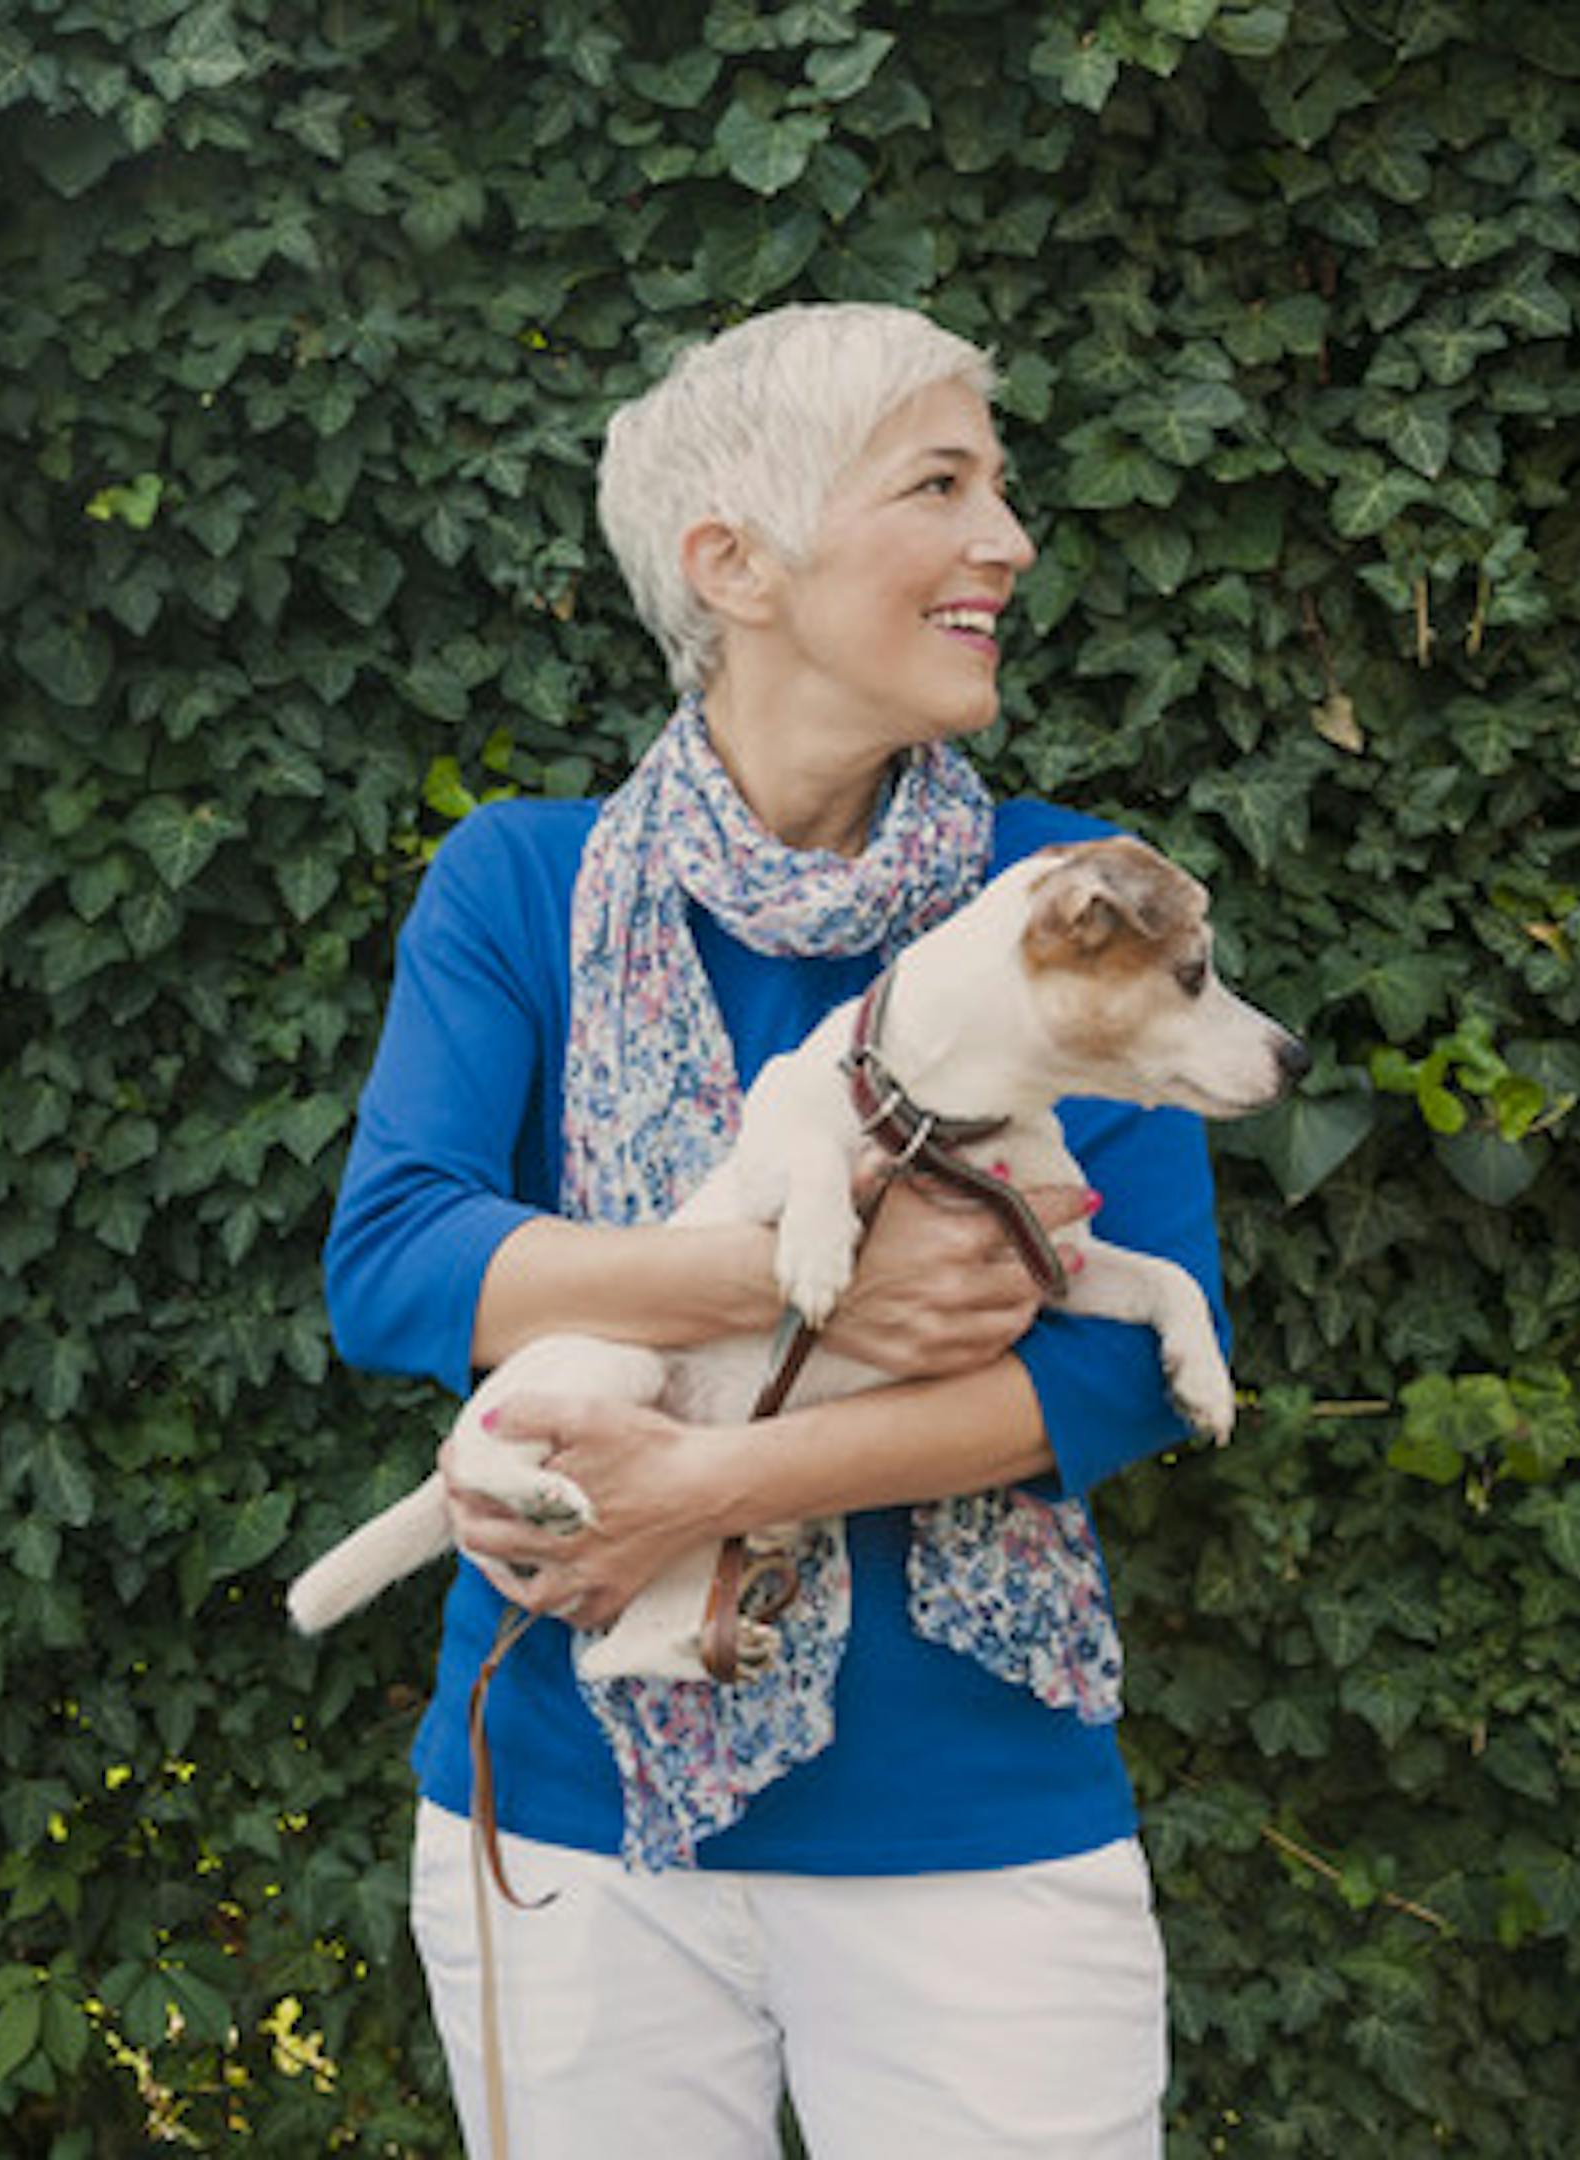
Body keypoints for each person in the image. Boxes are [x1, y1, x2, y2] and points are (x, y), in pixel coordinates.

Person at [321, 302, 1226, 2158]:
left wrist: (701, 1489)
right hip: (572, 1827)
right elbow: (401, 1261)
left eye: (1003, 484)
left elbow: (1124, 1365)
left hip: (975, 1834)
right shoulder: (523, 881)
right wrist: (784, 1276)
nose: (1010, 539)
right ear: (732, 563)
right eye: (942, 484)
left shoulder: (1063, 899)